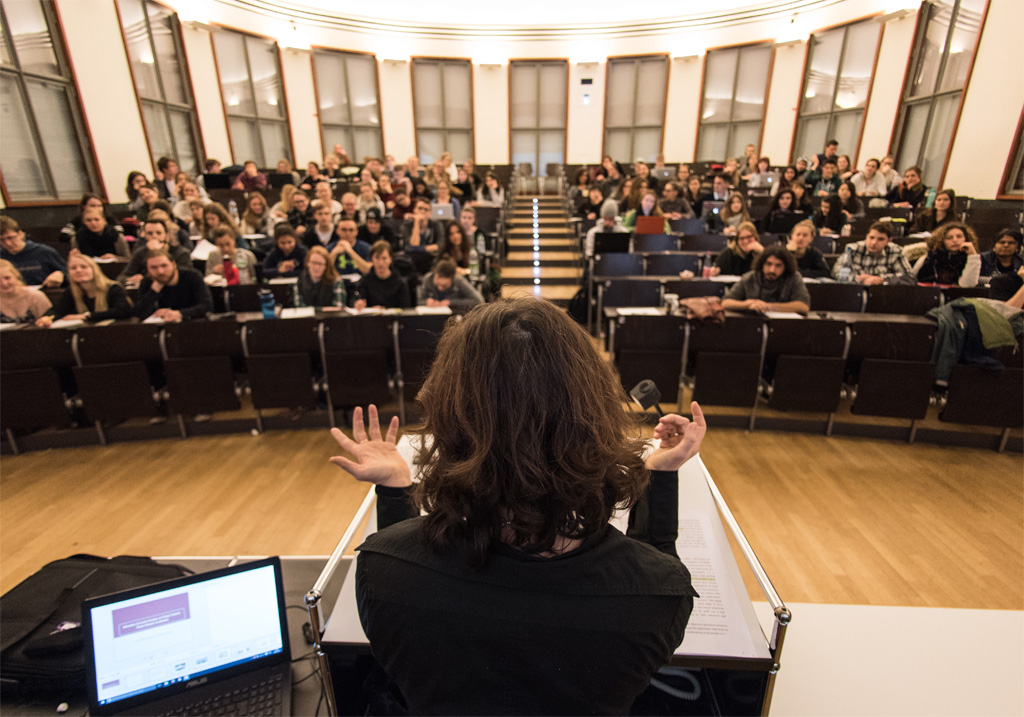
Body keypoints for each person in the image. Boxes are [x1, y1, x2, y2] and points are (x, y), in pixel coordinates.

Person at [327, 298, 703, 715]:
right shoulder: (658, 594)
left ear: (449, 420)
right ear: (592, 417)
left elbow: (408, 568)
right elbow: (653, 579)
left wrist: (396, 491)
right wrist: (660, 476)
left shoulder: (381, 571)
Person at [36, 251, 132, 325]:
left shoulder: (113, 288)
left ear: (94, 270)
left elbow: (123, 311)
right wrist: (46, 318)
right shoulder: (71, 292)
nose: (78, 270)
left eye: (83, 267)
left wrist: (86, 316)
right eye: (73, 268)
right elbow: (57, 310)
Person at [722, 245, 811, 314]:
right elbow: (726, 302)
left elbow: (803, 306)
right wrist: (748, 304)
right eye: (768, 264)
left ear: (785, 267)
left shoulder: (793, 278)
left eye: (778, 266)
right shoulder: (750, 277)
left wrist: (768, 306)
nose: (772, 270)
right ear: (762, 264)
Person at [134, 248, 213, 321]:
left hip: (192, 324)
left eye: (164, 265)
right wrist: (153, 292)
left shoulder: (192, 276)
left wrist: (179, 313)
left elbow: (206, 306)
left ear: (174, 264)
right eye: (154, 267)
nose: (160, 271)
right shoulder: (148, 281)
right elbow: (139, 313)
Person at [832, 221, 913, 285]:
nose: (874, 242)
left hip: (883, 293)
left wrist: (880, 279)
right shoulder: (852, 249)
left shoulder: (896, 251)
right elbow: (838, 274)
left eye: (880, 239)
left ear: (889, 241)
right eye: (871, 237)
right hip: (855, 291)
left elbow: (909, 278)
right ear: (866, 236)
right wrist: (860, 280)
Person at [119, 218, 192, 285]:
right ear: (145, 235)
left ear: (166, 235)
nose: (154, 236)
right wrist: (130, 279)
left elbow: (184, 277)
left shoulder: (181, 253)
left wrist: (157, 252)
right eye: (150, 233)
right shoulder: (140, 253)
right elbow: (122, 278)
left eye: (158, 233)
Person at [0, 216, 66, 287]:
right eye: (1, 240)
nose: (7, 243)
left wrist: (60, 274)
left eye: (10, 238)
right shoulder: (1, 256)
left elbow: (68, 273)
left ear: (21, 234)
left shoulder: (44, 252)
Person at [913, 222, 981, 287]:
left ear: (966, 239)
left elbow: (967, 286)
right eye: (949, 238)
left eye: (959, 236)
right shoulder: (929, 258)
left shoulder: (971, 259)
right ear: (942, 241)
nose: (955, 240)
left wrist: (972, 255)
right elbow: (913, 281)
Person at [352, 241, 411, 310]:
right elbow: (357, 299)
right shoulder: (365, 281)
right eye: (377, 258)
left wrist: (385, 310)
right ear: (372, 259)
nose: (380, 263)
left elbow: (405, 308)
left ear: (390, 259)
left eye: (384, 258)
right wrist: (358, 303)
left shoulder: (400, 283)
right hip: (370, 319)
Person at [418, 258, 484, 311]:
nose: (440, 288)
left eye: (444, 286)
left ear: (453, 279)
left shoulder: (459, 281)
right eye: (437, 284)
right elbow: (419, 301)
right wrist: (427, 301)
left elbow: (478, 301)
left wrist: (450, 302)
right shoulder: (428, 279)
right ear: (435, 275)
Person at [294, 246, 346, 310]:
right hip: (308, 319)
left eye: (320, 264)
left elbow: (339, 307)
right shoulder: (300, 280)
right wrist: (322, 309)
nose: (317, 267)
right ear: (308, 263)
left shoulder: (336, 281)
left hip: (330, 318)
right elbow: (299, 306)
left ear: (326, 266)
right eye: (314, 263)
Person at [0, 259, 51, 324]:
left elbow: (50, 321)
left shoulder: (36, 296)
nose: (4, 283)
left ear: (16, 276)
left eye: (7, 278)